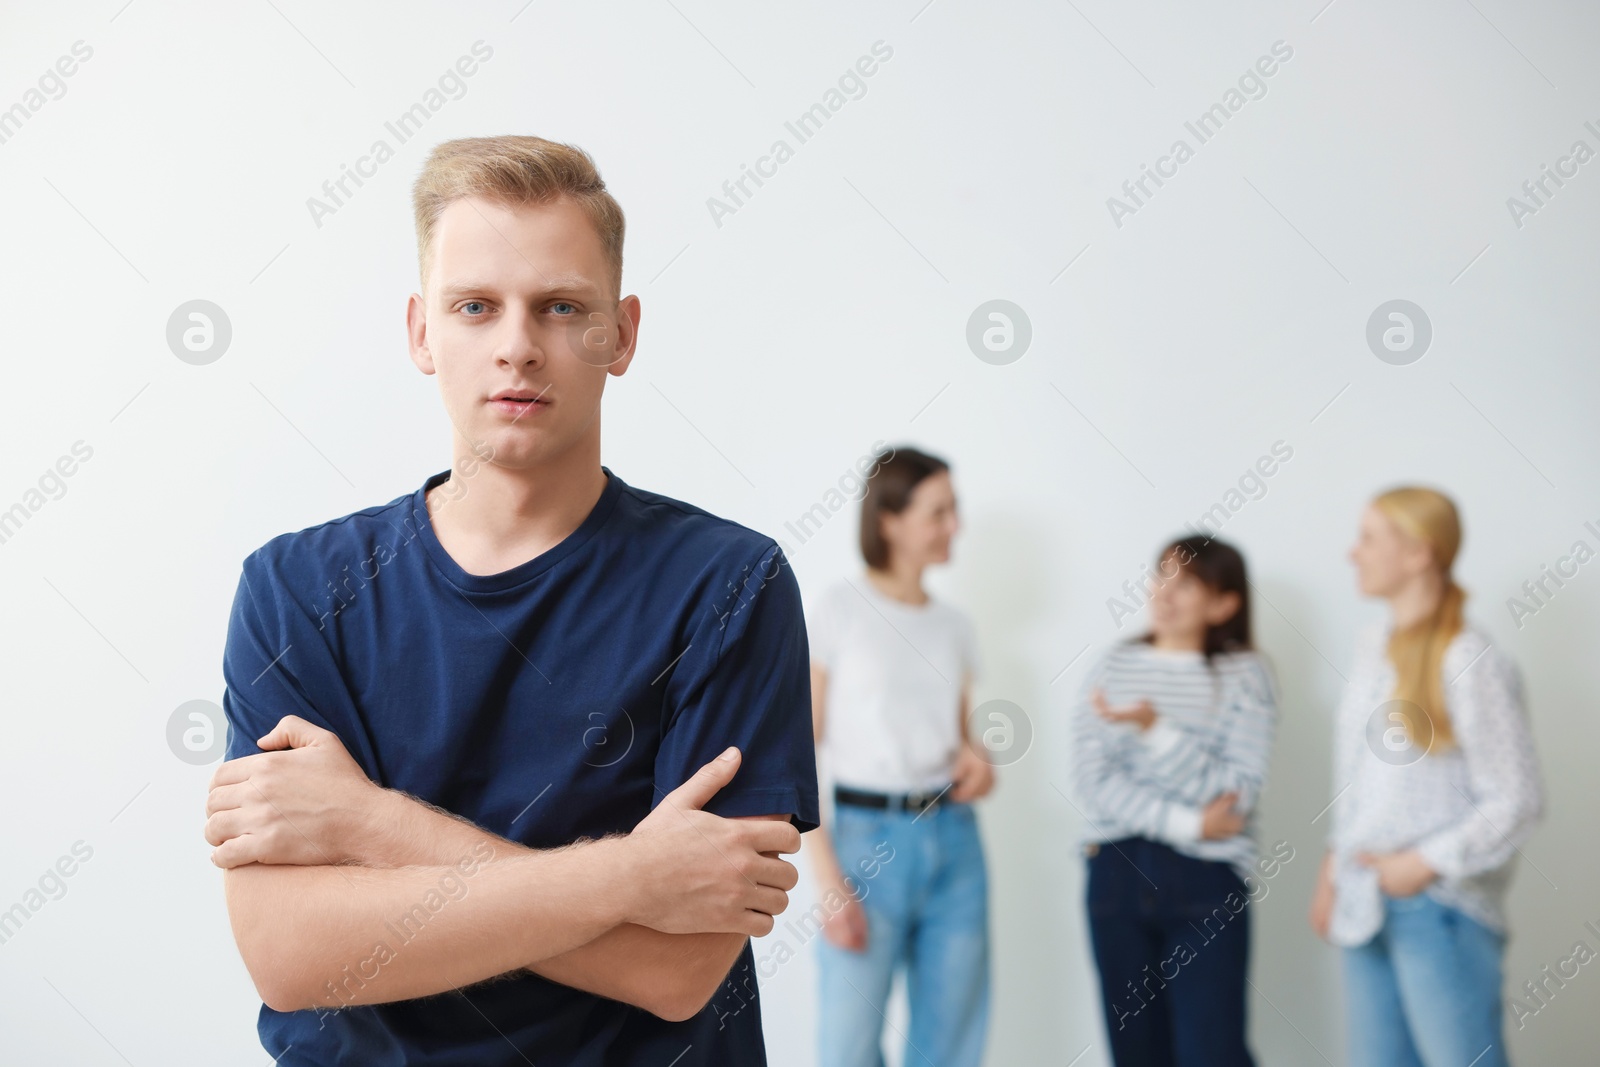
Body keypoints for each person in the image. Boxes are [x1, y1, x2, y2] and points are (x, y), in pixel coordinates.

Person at [204, 134, 819, 1066]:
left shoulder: (729, 585)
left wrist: (372, 823)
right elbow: (293, 956)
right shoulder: (295, 588)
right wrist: (629, 876)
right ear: (422, 331)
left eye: (562, 306)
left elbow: (677, 970)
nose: (519, 346)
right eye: (476, 307)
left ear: (621, 333)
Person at [1309, 487, 1543, 1067]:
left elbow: (1516, 797)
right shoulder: (1371, 648)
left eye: (1368, 538)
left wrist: (1423, 864)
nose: (1352, 552)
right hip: (1365, 901)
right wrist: (1333, 866)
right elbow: (1358, 777)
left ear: (1419, 553)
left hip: (1440, 909)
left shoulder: (1469, 657)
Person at [805, 445, 994, 1067]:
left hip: (955, 840)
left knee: (950, 1047)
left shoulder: (956, 627)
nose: (954, 526)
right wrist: (827, 878)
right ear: (889, 520)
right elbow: (800, 750)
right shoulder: (840, 609)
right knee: (848, 1049)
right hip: (866, 843)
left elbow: (964, 740)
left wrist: (979, 763)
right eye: (938, 512)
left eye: (954, 510)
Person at [1069, 536, 1279, 1067]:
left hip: (1206, 885)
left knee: (1213, 1052)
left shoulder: (1245, 674)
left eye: (1185, 583)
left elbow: (1235, 797)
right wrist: (1187, 822)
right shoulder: (1112, 667)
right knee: (1136, 1054)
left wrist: (1153, 731)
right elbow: (1094, 781)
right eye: (1161, 575)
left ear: (1223, 604)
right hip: (1116, 873)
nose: (1165, 592)